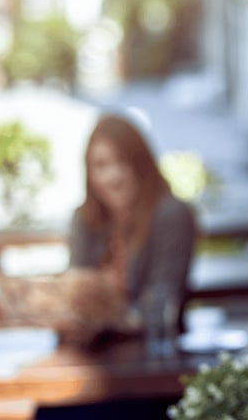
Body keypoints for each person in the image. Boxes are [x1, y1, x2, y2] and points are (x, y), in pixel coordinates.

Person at [68, 112, 197, 335]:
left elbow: (163, 303)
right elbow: (76, 297)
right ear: (89, 173)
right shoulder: (85, 218)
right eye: (101, 166)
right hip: (96, 354)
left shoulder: (171, 215)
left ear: (140, 164)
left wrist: (103, 315)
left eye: (122, 161)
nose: (113, 176)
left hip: (155, 351)